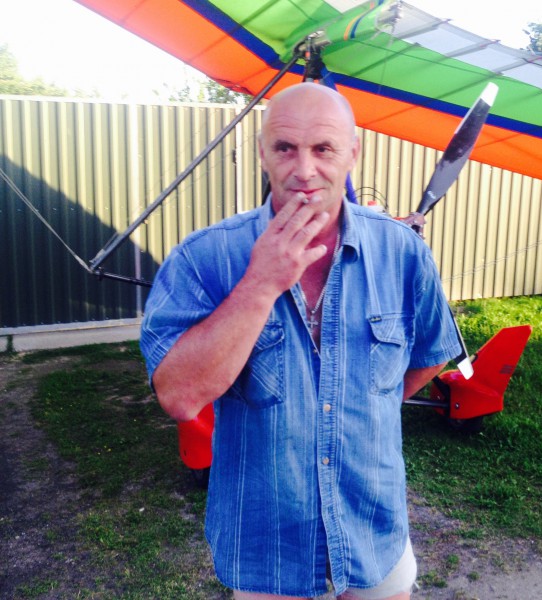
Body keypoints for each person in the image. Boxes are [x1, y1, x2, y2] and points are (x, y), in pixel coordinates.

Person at [139, 82, 463, 599]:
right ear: (262, 153)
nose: (304, 170)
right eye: (286, 148)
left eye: (324, 148)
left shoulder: (401, 252)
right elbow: (178, 397)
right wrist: (260, 284)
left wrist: (368, 407)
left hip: (373, 531)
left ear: (353, 153)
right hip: (267, 545)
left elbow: (430, 354)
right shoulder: (204, 258)